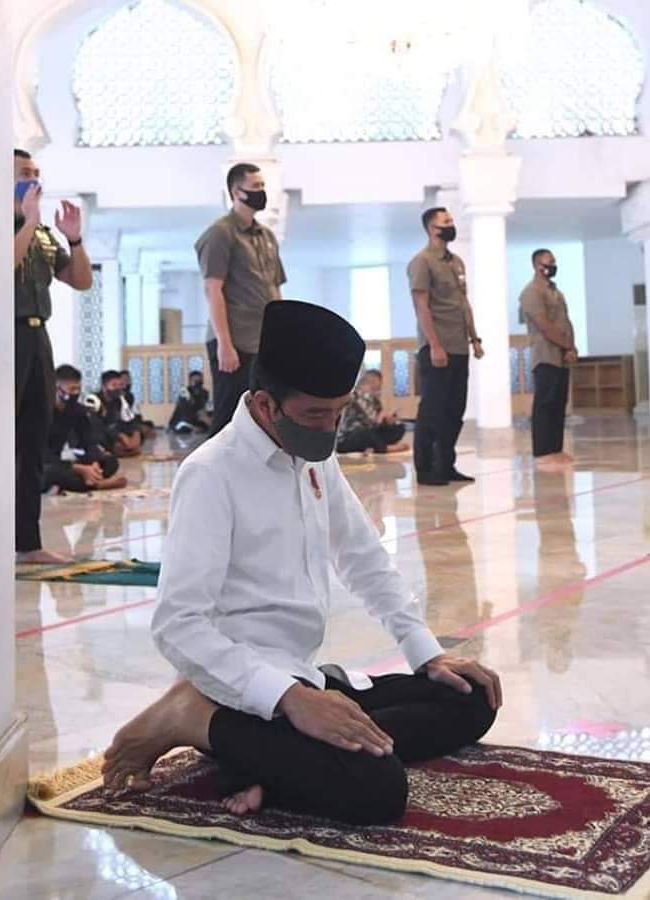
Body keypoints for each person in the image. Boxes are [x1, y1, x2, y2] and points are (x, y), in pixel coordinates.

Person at [103, 301, 501, 826]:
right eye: (317, 414)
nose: (331, 428)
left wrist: (426, 654)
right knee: (377, 789)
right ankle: (190, 718)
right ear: (266, 405)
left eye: (339, 412)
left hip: (305, 679)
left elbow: (363, 558)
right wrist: (288, 697)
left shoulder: (314, 457)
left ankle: (275, 766)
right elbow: (178, 626)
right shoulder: (211, 474)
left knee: (471, 698)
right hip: (241, 693)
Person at [14, 148, 93, 563]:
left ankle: (27, 544)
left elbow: (80, 280)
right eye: (24, 172)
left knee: (32, 438)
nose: (33, 179)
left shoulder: (43, 234)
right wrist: (26, 221)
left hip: (37, 337)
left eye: (36, 172)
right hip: (5, 335)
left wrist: (74, 238)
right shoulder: (15, 225)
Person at [195, 163, 287, 438]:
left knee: (261, 416)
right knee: (228, 417)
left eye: (263, 187)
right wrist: (225, 344)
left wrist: (280, 338)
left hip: (262, 341)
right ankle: (210, 478)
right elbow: (213, 289)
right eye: (255, 187)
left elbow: (274, 289)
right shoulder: (220, 233)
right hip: (234, 342)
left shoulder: (267, 236)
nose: (261, 192)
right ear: (237, 192)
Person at [407, 208, 484, 487]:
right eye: (446, 222)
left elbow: (463, 303)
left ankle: (446, 464)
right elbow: (422, 307)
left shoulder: (456, 262)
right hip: (437, 349)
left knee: (455, 410)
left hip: (459, 347)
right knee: (433, 411)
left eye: (451, 221)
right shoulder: (422, 262)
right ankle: (426, 468)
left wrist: (474, 338)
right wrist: (435, 346)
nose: (452, 225)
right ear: (431, 228)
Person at [519, 249, 578, 469]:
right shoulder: (532, 292)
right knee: (545, 404)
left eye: (554, 261)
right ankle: (543, 452)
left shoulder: (556, 291)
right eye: (548, 262)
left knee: (558, 404)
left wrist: (571, 348)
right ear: (536, 265)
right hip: (545, 355)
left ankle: (556, 449)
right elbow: (544, 325)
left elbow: (565, 322)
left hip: (562, 355)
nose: (553, 265)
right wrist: (566, 345)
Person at [43, 365, 126, 494]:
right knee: (48, 472)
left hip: (64, 461)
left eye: (78, 388)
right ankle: (97, 484)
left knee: (110, 461)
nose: (75, 393)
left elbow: (88, 441)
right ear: (57, 389)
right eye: (72, 389)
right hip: (45, 462)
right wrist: (78, 468)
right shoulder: (42, 412)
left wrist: (93, 463)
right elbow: (41, 455)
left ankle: (86, 481)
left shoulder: (77, 410)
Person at [337, 369, 408, 455]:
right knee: (366, 434)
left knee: (399, 427)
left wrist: (387, 421)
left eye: (378, 388)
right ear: (363, 384)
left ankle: (374, 446)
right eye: (374, 388)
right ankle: (386, 448)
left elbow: (377, 424)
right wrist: (380, 418)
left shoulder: (375, 400)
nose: (377, 391)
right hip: (350, 436)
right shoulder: (355, 396)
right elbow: (371, 418)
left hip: (370, 431)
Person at [93, 371, 142, 458]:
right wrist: (120, 436)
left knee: (136, 434)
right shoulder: (93, 401)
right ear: (104, 387)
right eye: (114, 385)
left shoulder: (119, 400)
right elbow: (98, 426)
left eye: (120, 385)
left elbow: (129, 420)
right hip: (98, 436)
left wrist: (135, 435)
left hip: (113, 433)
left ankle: (122, 451)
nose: (118, 388)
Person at [120, 369, 155, 440]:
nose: (126, 381)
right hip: (123, 422)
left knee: (149, 424)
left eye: (128, 379)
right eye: (124, 379)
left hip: (131, 419)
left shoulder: (130, 395)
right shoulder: (117, 394)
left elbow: (134, 413)